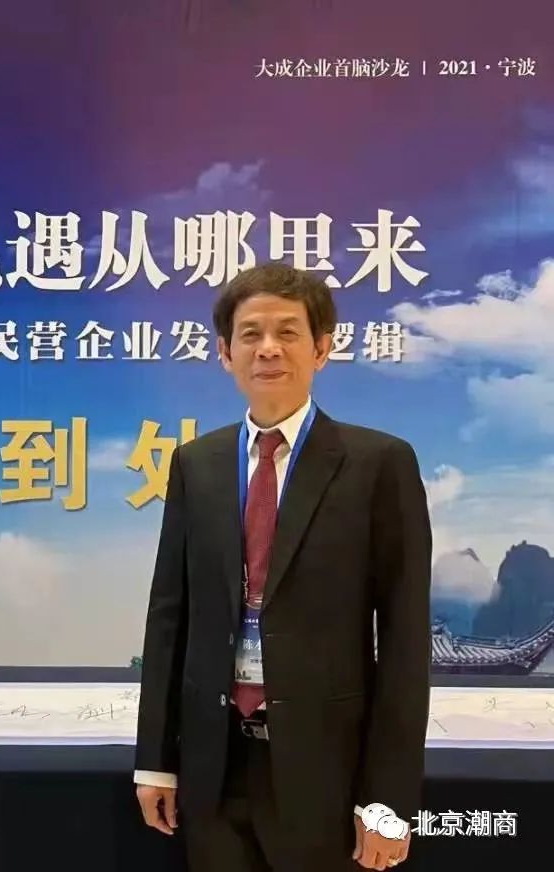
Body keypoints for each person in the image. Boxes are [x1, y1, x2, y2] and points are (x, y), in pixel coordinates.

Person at [133, 262, 432, 872]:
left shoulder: (379, 464)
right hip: (214, 768)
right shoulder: (197, 464)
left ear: (321, 349)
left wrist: (387, 802)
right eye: (250, 334)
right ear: (225, 353)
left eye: (287, 332)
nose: (267, 348)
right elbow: (170, 616)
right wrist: (156, 760)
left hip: (327, 772)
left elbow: (405, 640)